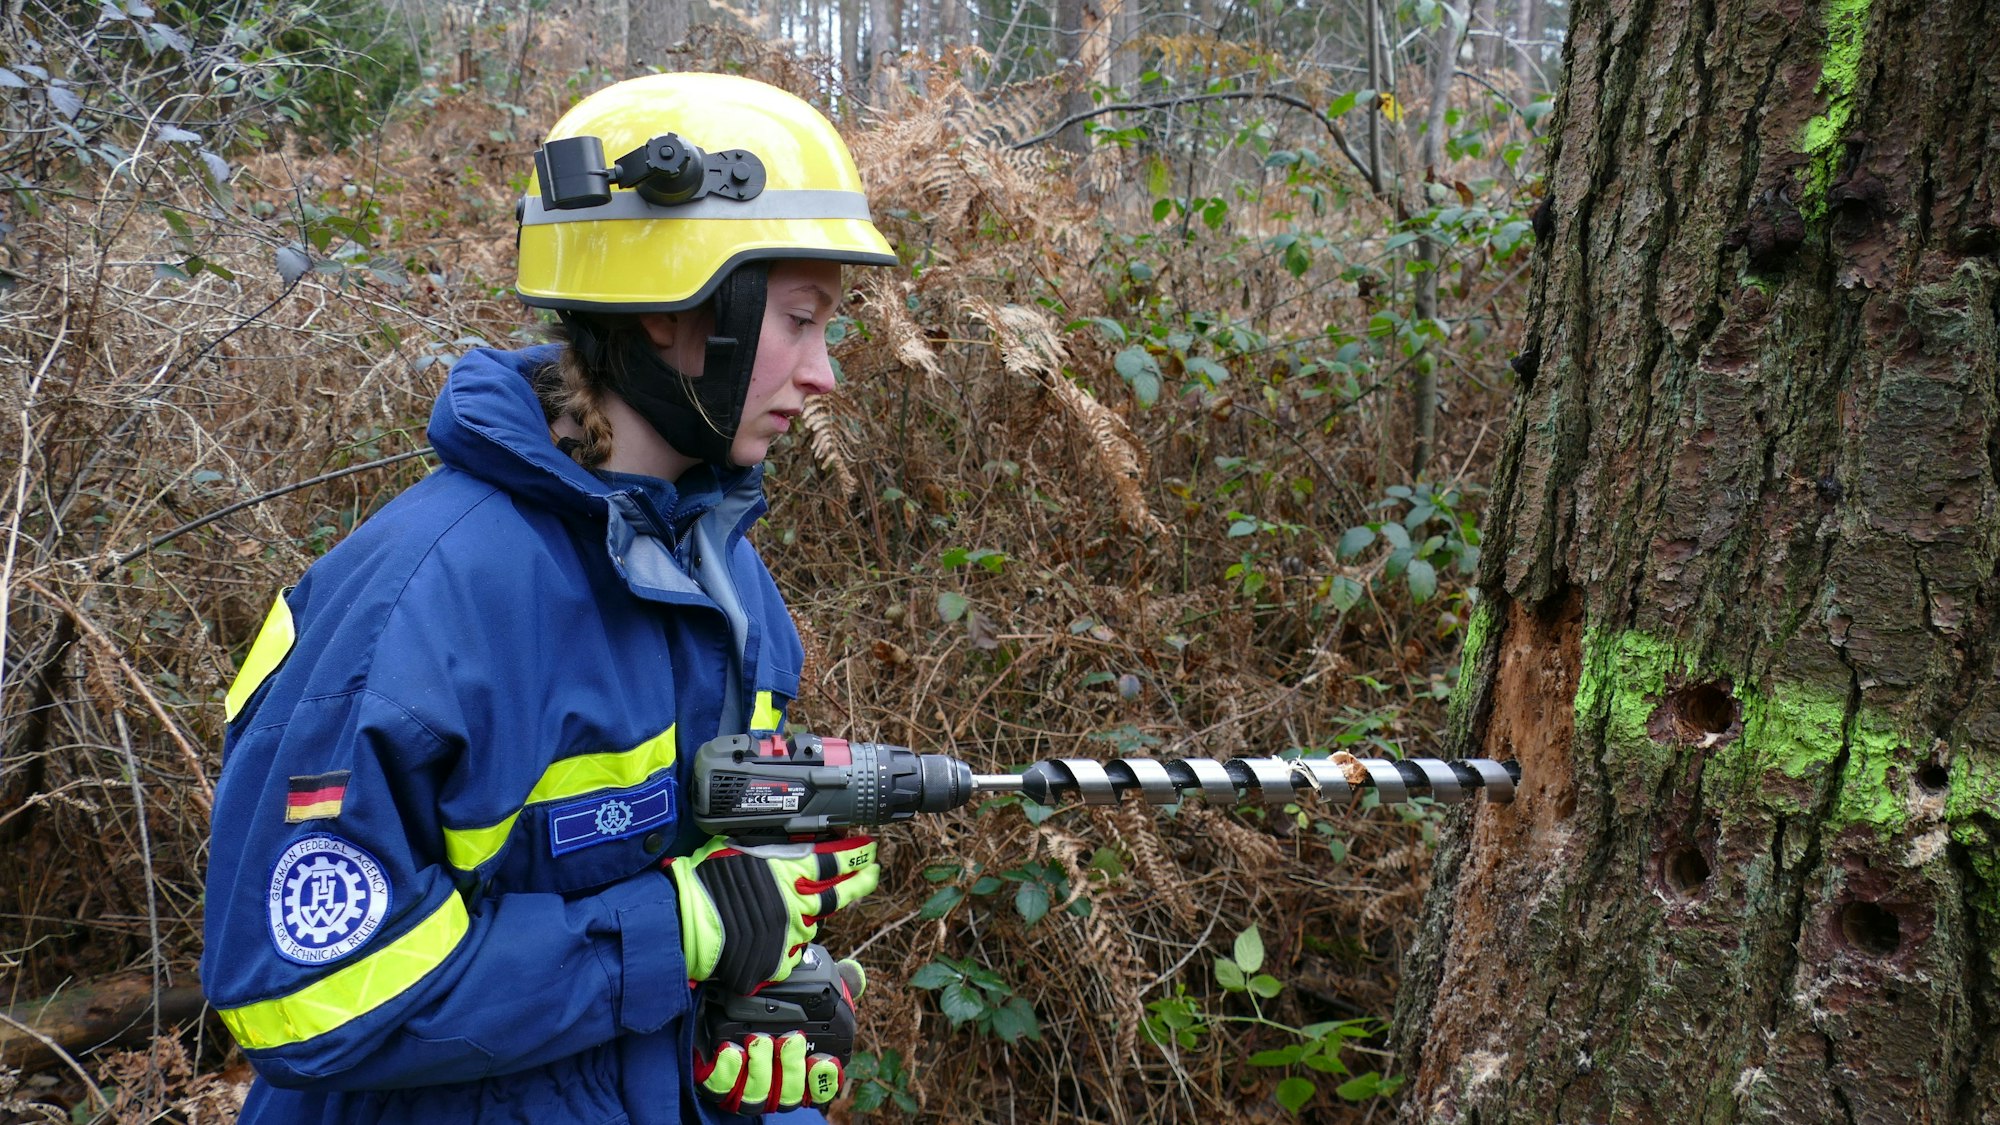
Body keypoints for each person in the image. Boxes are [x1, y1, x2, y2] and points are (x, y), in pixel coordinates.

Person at [200, 73, 900, 1124]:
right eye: (799, 320)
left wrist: (760, 992)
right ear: (679, 312)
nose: (824, 373)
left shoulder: (724, 574)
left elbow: (684, 880)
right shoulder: (415, 605)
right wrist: (677, 934)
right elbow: (298, 997)